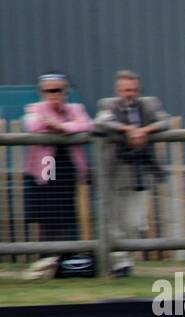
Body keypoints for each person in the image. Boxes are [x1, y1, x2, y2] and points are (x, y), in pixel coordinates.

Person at [94, 70, 173, 277]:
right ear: (118, 90)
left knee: (134, 221)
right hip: (115, 170)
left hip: (139, 169)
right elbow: (102, 122)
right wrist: (128, 130)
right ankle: (119, 263)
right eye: (126, 90)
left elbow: (165, 121)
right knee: (113, 218)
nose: (130, 93)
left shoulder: (150, 104)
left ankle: (126, 258)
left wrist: (144, 131)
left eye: (134, 90)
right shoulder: (107, 105)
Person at [23, 74, 93, 248]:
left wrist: (59, 126)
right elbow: (33, 126)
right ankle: (49, 254)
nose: (54, 94)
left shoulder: (75, 109)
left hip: (68, 164)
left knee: (65, 211)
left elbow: (86, 125)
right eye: (49, 91)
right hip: (47, 164)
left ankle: (63, 254)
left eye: (58, 90)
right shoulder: (35, 109)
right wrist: (66, 127)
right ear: (42, 92)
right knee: (48, 210)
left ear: (65, 91)